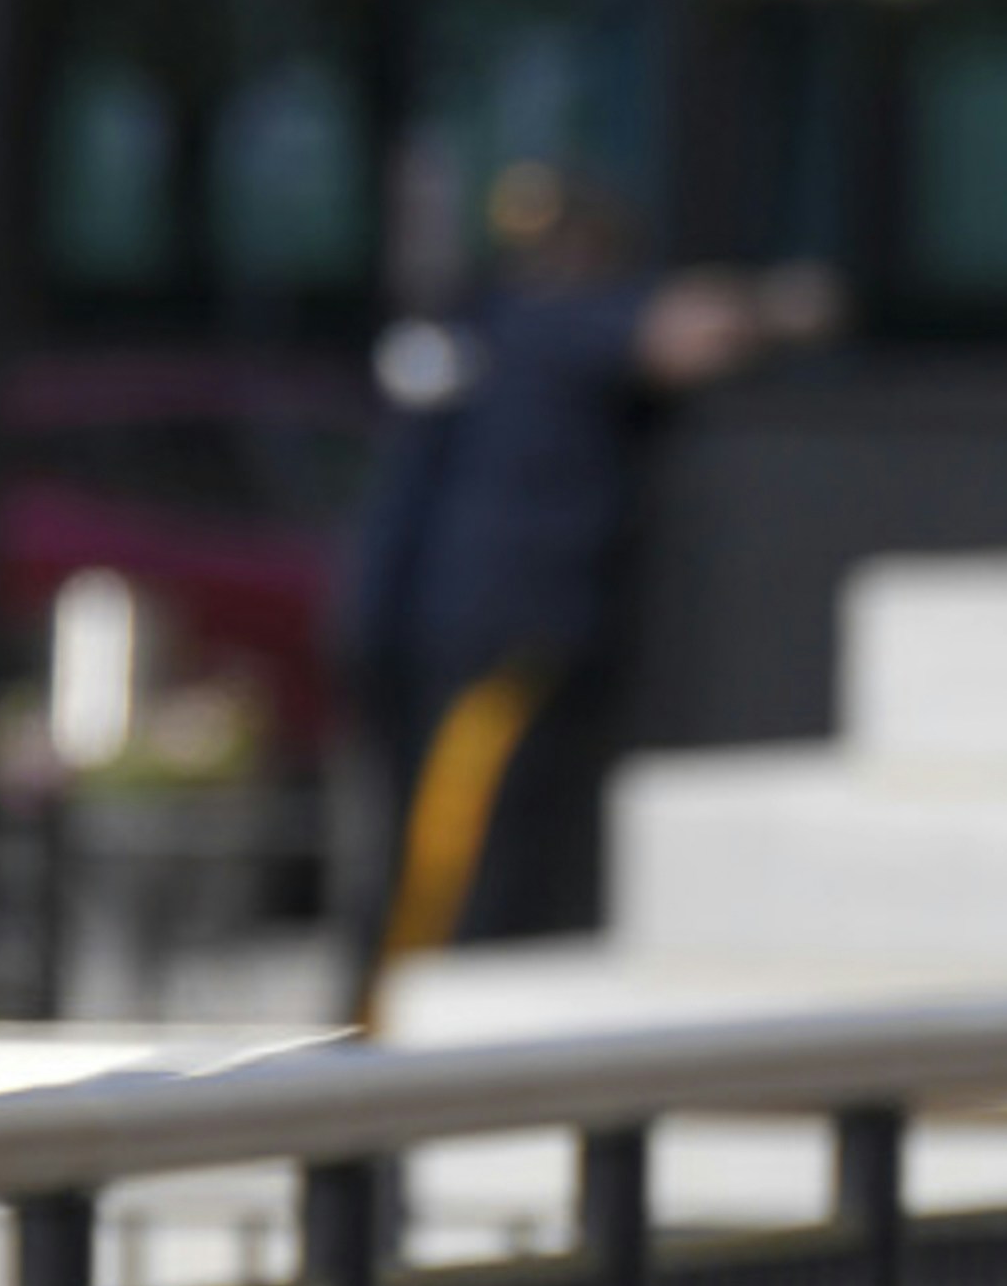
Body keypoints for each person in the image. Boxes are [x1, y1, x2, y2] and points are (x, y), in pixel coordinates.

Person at [342, 175, 834, 1015]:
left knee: (448, 848)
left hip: (438, 622)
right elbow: (693, 332)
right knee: (455, 857)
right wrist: (784, 305)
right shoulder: (555, 322)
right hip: (501, 625)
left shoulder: (479, 325)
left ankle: (399, 1026)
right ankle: (393, 1035)